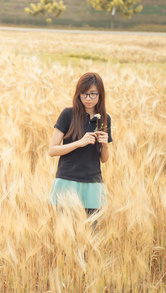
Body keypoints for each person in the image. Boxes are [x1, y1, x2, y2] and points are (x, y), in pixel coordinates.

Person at [48, 72, 112, 217]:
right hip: (67, 180)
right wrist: (79, 143)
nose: (88, 98)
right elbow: (52, 150)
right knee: (65, 231)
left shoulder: (105, 119)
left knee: (91, 232)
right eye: (84, 94)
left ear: (100, 94)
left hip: (93, 182)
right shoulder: (68, 114)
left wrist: (106, 146)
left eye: (93, 94)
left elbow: (104, 159)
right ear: (78, 94)